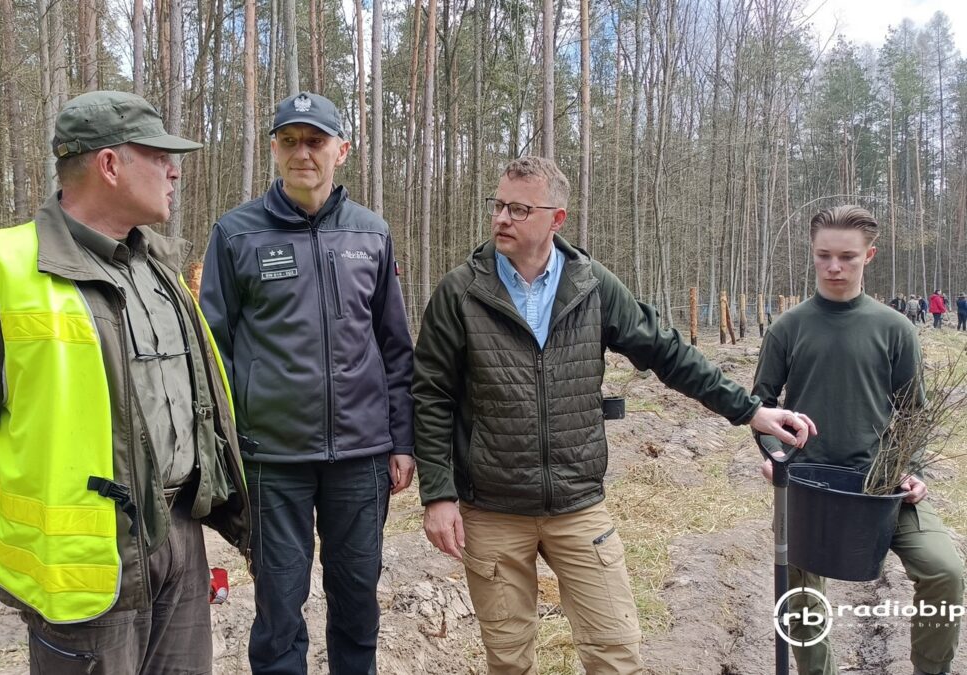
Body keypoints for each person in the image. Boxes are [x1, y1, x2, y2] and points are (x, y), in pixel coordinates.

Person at [413, 156, 815, 675]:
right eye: (498, 205)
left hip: (579, 505)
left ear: (556, 219)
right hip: (492, 508)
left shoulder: (592, 285)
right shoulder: (460, 292)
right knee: (508, 659)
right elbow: (431, 395)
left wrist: (751, 411)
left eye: (518, 208)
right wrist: (439, 494)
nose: (501, 219)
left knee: (615, 650)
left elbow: (668, 352)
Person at [0, 91, 251, 674]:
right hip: (83, 561)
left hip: (179, 539)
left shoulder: (158, 273)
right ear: (110, 165)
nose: (175, 169)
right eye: (158, 155)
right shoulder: (3, 267)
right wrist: (43, 500)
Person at [200, 91, 414, 674]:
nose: (303, 153)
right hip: (272, 459)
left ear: (340, 150)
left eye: (315, 141)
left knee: (356, 599)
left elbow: (395, 345)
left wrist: (402, 440)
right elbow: (212, 350)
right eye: (289, 140)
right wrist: (225, 448)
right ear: (274, 148)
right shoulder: (237, 234)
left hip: (361, 456)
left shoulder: (370, 233)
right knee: (278, 605)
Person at [753, 206, 964, 675]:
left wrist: (912, 471)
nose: (834, 267)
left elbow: (912, 413)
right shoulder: (788, 328)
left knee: (945, 571)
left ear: (868, 256)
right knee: (801, 593)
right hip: (807, 484)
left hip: (882, 483)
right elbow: (760, 406)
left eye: (847, 257)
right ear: (812, 255)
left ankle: (931, 669)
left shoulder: (895, 328)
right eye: (823, 256)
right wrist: (774, 458)